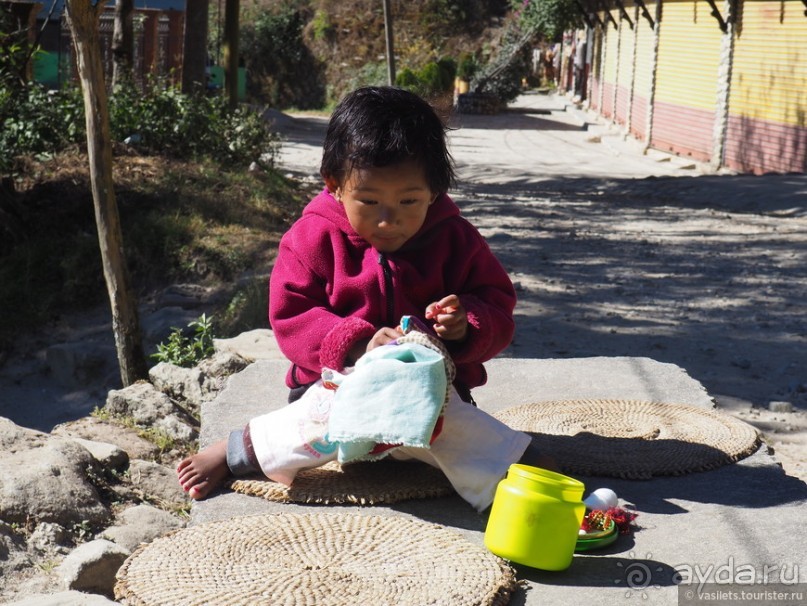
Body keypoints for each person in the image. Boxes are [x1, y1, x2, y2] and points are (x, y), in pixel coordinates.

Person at [177, 86, 550, 510]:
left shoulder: (455, 240)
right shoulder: (310, 239)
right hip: (337, 392)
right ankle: (236, 452)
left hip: (428, 399)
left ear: (435, 189)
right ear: (334, 185)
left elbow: (496, 302)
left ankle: (509, 459)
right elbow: (291, 317)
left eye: (409, 200)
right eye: (369, 201)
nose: (388, 219)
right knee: (313, 419)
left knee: (459, 424)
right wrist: (356, 343)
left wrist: (466, 325)